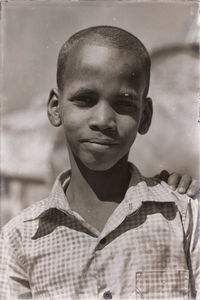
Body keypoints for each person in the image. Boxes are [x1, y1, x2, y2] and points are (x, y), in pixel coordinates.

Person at [0, 26, 199, 300]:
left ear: (145, 116)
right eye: (85, 100)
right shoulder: (19, 239)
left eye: (124, 103)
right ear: (55, 108)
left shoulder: (183, 216)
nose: (103, 120)